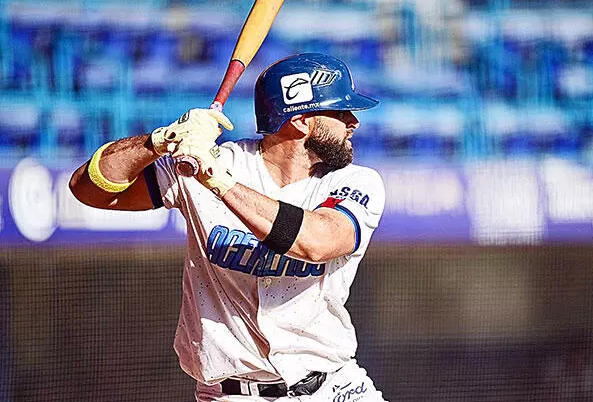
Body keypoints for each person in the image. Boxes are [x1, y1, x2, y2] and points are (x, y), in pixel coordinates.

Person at [69, 53, 387, 402]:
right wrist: (161, 140)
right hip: (232, 394)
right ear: (301, 122)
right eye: (340, 112)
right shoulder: (212, 164)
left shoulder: (356, 181)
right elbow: (88, 189)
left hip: (334, 387)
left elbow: (318, 242)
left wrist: (220, 183)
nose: (354, 121)